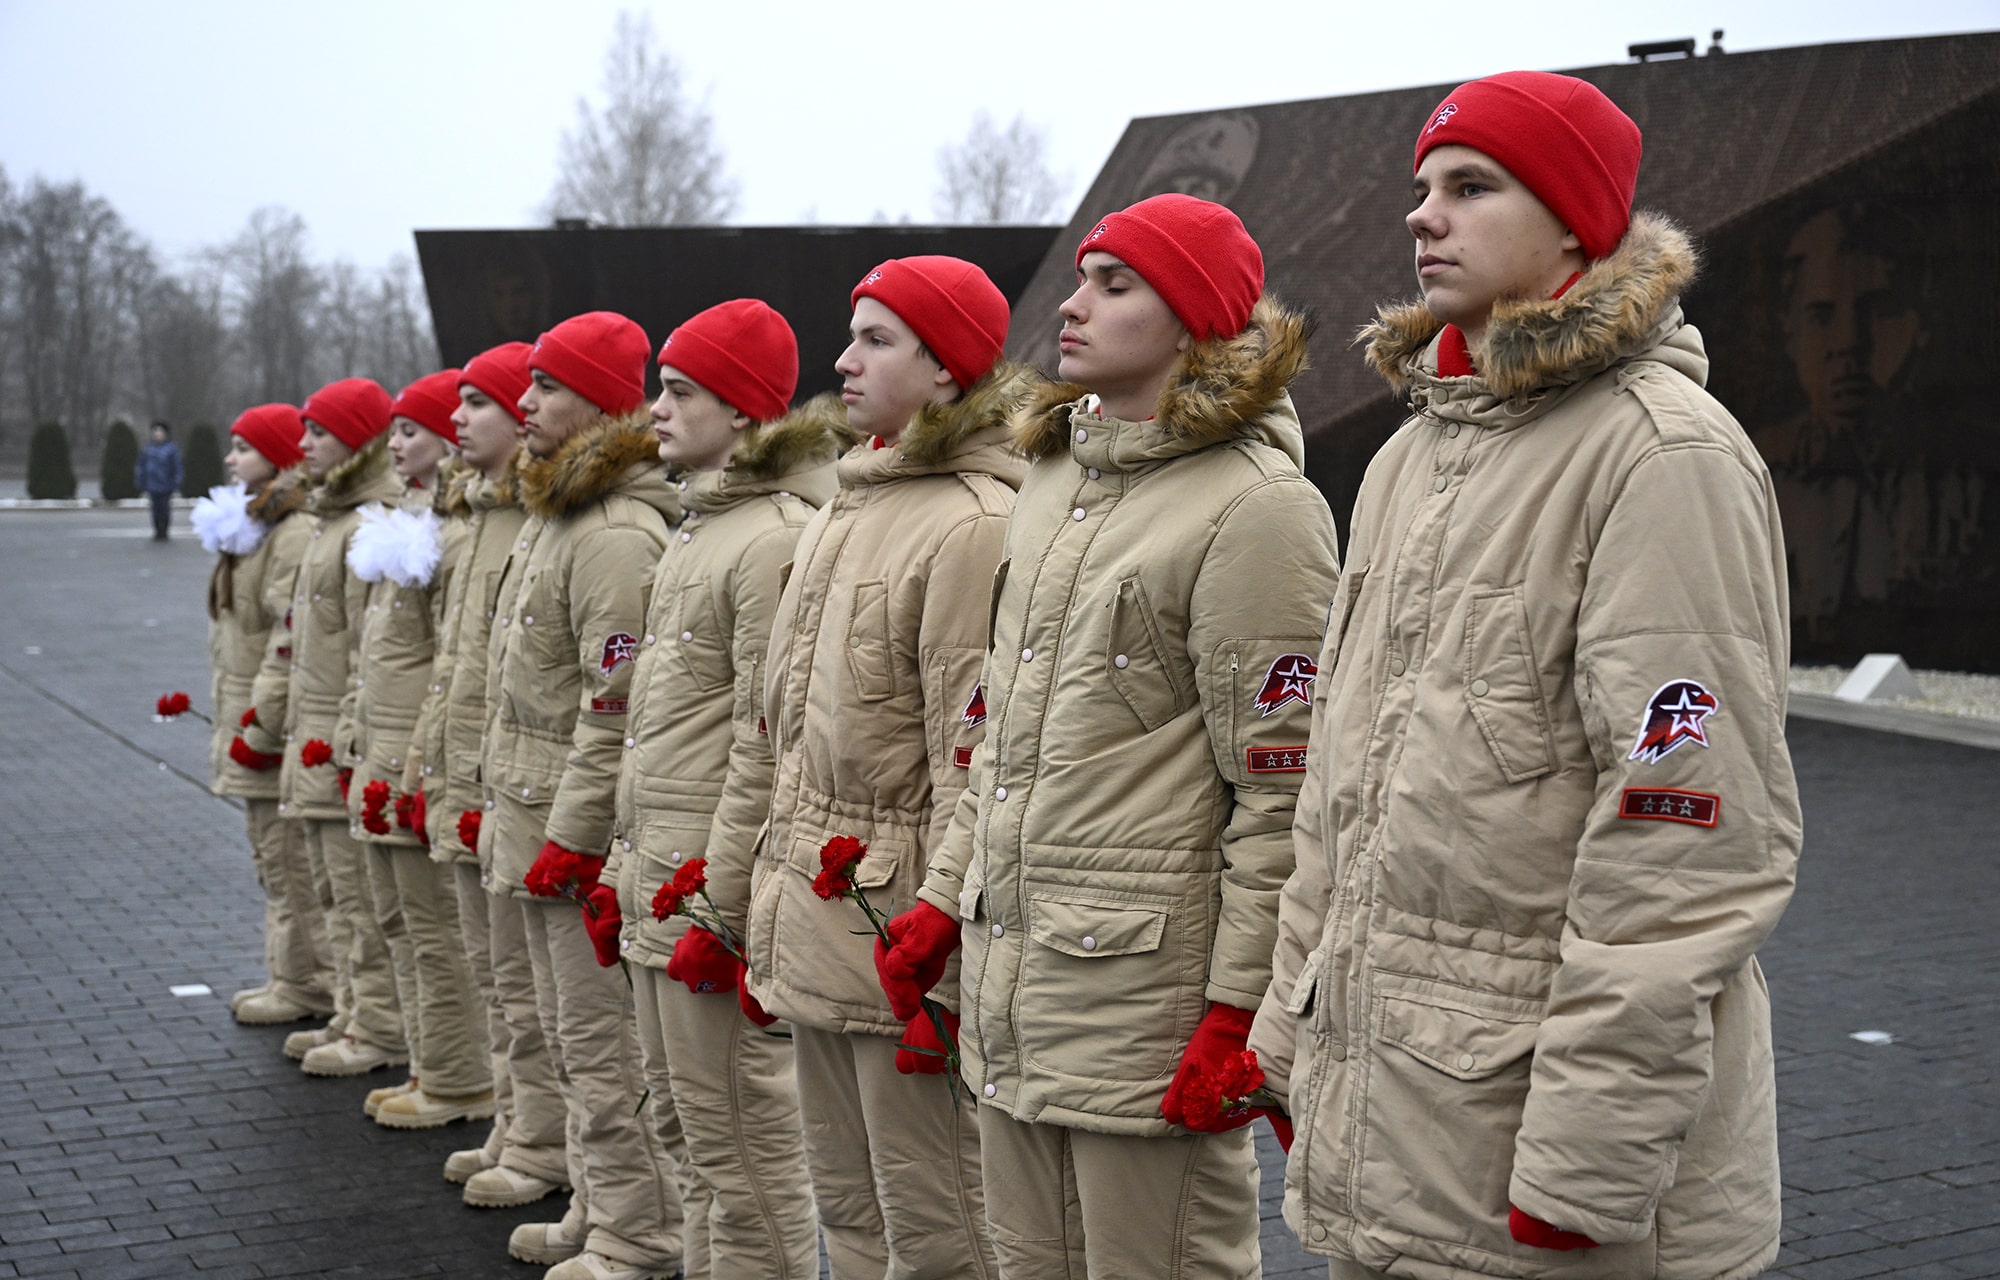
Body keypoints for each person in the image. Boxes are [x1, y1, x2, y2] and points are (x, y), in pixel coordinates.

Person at [1249, 71, 1800, 1278]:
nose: (1421, 217)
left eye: (1469, 186)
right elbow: (1338, 796)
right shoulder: (1408, 456)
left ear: (1573, 223)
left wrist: (1583, 1163)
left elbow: (1687, 843)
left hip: (1540, 1180)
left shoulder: (1661, 455)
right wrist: (1290, 1037)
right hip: (1386, 1131)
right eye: (1418, 190)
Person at [875, 195, 1341, 1277]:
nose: (1072, 305)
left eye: (1113, 283)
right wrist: (945, 900)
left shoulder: (1256, 508)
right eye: (1081, 277)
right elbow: (996, 734)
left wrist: (1237, 1010)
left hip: (1144, 998)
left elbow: (1283, 791)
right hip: (1013, 978)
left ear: (1188, 320)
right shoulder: (1049, 484)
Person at [747, 256, 1030, 1280]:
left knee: (936, 1221)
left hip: (895, 932)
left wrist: (945, 968)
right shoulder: (844, 504)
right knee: (850, 1208)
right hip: (818, 910)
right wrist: (762, 912)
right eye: (851, 332)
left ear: (947, 369)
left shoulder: (970, 523)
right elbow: (782, 739)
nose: (842, 358)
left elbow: (973, 764)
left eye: (876, 338)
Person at [608, 300, 842, 1279]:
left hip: (707, 887)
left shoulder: (768, 538)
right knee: (686, 1124)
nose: (655, 408)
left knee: (741, 1138)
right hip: (658, 868)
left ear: (743, 413)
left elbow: (762, 739)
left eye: (680, 390)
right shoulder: (701, 529)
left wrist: (722, 894)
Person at [483, 312, 687, 1280]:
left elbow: (609, 708)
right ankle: (596, 1200)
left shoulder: (610, 534)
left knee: (605, 1050)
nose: (525, 403)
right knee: (565, 1031)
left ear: (602, 402)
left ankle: (637, 1233)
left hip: (579, 836)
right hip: (532, 819)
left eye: (546, 386)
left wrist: (570, 836)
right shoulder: (558, 515)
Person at [423, 343, 573, 1202]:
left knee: (559, 1017)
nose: (463, 419)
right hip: (494, 787)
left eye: (482, 401)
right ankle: (520, 1128)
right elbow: (461, 667)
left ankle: (545, 1149)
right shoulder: (497, 519)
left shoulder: (547, 521)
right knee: (509, 991)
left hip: (537, 800)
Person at [240, 377, 410, 1077]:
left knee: (363, 903)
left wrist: (343, 737)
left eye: (318, 431)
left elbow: (375, 654)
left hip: (340, 740)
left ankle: (377, 1027)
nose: (303, 445)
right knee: (332, 892)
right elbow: (297, 637)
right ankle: (350, 1010)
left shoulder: (367, 526)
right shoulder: (329, 522)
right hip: (315, 737)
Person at [344, 368, 498, 1132]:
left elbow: (448, 664)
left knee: (435, 933)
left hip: (415, 757)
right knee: (401, 923)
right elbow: (378, 652)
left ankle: (459, 1078)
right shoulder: (407, 520)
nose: (397, 443)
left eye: (413, 429)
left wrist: (415, 762)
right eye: (396, 430)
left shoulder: (458, 532)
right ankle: (428, 1063)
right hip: (384, 750)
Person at [193, 403, 333, 1026]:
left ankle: (306, 984)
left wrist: (261, 724)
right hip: (248, 720)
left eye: (244, 448)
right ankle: (292, 974)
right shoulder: (254, 528)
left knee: (289, 864)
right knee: (272, 861)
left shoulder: (291, 533)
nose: (231, 458)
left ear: (278, 457)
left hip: (268, 730)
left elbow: (290, 635)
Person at [136, 420, 184, 540]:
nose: (157, 434)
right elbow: (141, 466)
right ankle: (157, 530)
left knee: (165, 507)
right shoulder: (147, 449)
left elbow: (177, 466)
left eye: (160, 431)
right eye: (155, 431)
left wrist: (177, 480)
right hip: (152, 483)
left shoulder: (171, 449)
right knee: (155, 508)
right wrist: (140, 480)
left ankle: (164, 530)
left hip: (166, 483)